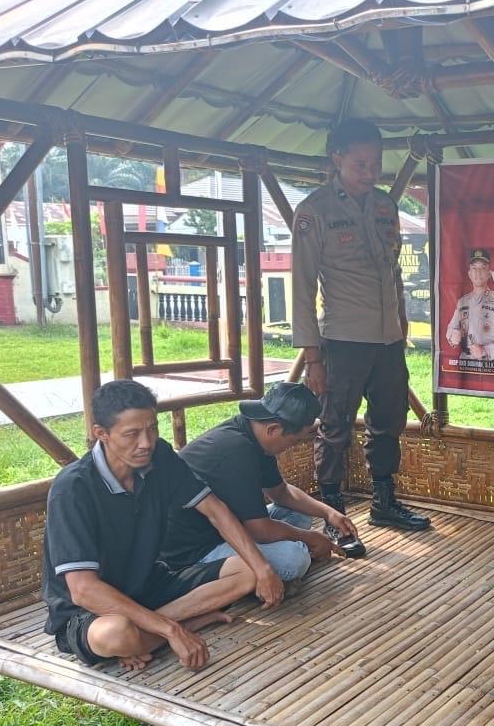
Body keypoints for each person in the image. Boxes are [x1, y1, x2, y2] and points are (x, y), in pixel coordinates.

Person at [42, 380, 284, 671]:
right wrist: (173, 630)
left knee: (248, 571)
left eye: (152, 429)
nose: (146, 443)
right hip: (88, 610)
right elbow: (83, 590)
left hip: (148, 585)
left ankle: (144, 636)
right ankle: (176, 624)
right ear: (101, 434)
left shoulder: (160, 458)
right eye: (132, 434)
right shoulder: (73, 488)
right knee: (116, 634)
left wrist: (262, 568)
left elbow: (215, 510)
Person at [291, 118, 430, 535]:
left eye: (376, 164)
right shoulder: (315, 211)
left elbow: (394, 272)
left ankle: (384, 502)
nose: (371, 173)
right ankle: (331, 512)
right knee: (334, 427)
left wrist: (402, 320)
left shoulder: (386, 205)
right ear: (338, 159)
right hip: (343, 339)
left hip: (388, 339)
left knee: (389, 420)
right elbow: (301, 286)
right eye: (361, 164)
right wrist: (313, 357)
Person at [163, 382, 365, 575]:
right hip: (195, 549)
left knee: (299, 515)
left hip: (230, 527)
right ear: (273, 429)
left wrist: (329, 513)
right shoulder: (236, 452)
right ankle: (233, 576)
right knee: (294, 559)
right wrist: (310, 538)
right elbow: (260, 530)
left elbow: (280, 492)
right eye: (294, 440)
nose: (293, 446)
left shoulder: (254, 434)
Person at [445, 247, 494, 360]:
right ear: (469, 274)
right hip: (465, 363)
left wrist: (486, 350)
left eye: (483, 267)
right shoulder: (462, 302)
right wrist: (452, 335)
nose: (478, 272)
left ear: (489, 273)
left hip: (490, 363)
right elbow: (451, 329)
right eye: (474, 268)